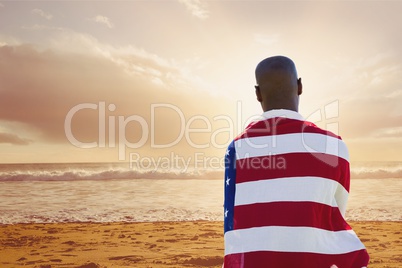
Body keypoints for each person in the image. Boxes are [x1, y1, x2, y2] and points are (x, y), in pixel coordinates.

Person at [223, 56, 369, 267]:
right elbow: (333, 213)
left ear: (257, 94)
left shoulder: (236, 148)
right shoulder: (333, 146)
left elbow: (233, 225)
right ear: (299, 86)